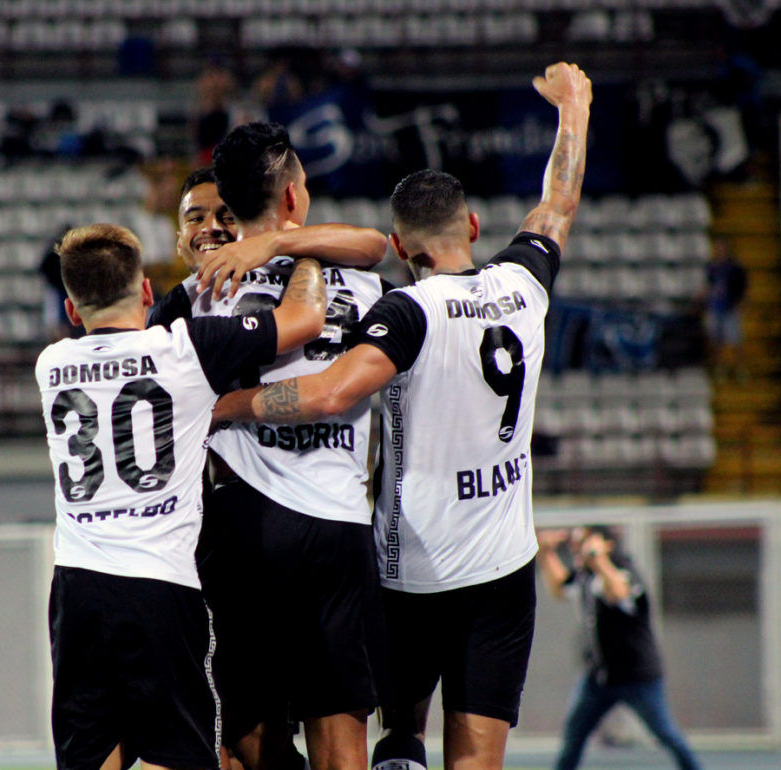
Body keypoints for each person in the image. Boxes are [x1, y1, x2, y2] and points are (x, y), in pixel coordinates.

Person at [212, 63, 592, 770]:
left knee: (390, 733)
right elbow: (557, 203)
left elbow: (327, 395)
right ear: (473, 226)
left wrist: (228, 406)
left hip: (409, 565)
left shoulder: (404, 311)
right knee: (476, 758)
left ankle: (404, 742)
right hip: (503, 566)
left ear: (403, 247)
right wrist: (576, 107)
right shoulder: (523, 282)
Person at [35, 223, 326, 770]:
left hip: (76, 587)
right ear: (146, 291)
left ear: (73, 312)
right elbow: (305, 318)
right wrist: (296, 244)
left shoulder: (51, 365)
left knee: (90, 753)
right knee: (179, 753)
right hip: (159, 587)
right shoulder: (186, 349)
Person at [181, 123, 391, 770]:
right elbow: (377, 244)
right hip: (337, 522)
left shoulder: (200, 296)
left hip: (244, 521)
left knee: (245, 725)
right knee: (341, 731)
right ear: (295, 197)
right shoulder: (367, 286)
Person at [535, 526, 703, 770]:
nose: (577, 549)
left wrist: (599, 559)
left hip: (637, 676)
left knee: (666, 733)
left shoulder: (624, 570)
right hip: (599, 677)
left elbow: (618, 591)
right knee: (574, 737)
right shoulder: (586, 577)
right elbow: (561, 588)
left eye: (583, 542)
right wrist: (546, 554)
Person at [149, 165, 387, 326]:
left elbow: (374, 245)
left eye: (228, 216)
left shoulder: (289, 264)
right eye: (195, 218)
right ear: (179, 243)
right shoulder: (176, 307)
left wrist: (276, 243)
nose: (211, 227)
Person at [704, 237, 747, 379]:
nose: (719, 251)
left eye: (722, 248)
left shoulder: (735, 267)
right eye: (717, 248)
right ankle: (719, 368)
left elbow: (743, 288)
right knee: (716, 341)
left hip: (730, 307)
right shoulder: (711, 267)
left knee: (735, 339)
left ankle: (739, 368)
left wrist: (743, 304)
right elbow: (709, 286)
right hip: (716, 307)